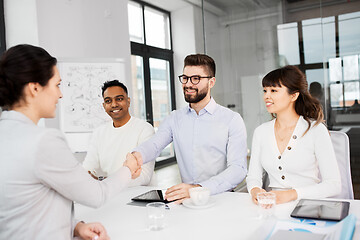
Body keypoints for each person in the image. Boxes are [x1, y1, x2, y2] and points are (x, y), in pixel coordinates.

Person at [0, 44, 140, 240]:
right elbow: (97, 195)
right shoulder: (43, 141)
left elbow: (22, 209)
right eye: (57, 85)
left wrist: (75, 227)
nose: (60, 94)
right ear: (34, 88)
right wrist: (128, 168)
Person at [130, 54, 248, 203]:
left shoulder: (232, 119)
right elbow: (154, 144)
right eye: (185, 78)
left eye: (196, 79)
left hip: (221, 198)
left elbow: (238, 169)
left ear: (211, 82)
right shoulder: (174, 118)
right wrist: (136, 156)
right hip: (187, 200)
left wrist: (198, 188)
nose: (188, 84)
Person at [246, 65, 341, 204]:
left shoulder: (316, 130)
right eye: (265, 90)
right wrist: (255, 190)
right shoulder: (261, 132)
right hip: (272, 206)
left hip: (308, 206)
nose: (266, 96)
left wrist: (291, 194)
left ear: (294, 95)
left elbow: (334, 185)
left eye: (273, 90)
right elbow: (253, 176)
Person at [82, 80, 155, 186]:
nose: (114, 104)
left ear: (128, 101)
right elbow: (87, 169)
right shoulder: (99, 133)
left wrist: (105, 182)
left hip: (137, 196)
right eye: (108, 101)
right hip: (108, 195)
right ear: (104, 106)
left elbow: (144, 177)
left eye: (119, 99)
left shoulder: (145, 129)